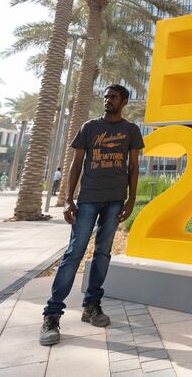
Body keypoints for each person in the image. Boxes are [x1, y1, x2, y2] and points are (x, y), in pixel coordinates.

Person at [39, 84, 144, 346]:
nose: (108, 100)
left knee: (103, 253)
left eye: (113, 97)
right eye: (106, 96)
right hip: (88, 199)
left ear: (124, 101)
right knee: (74, 253)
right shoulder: (89, 127)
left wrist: (131, 200)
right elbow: (76, 164)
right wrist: (68, 199)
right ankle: (52, 314)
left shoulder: (131, 130)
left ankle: (92, 305)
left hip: (115, 199)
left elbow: (133, 168)